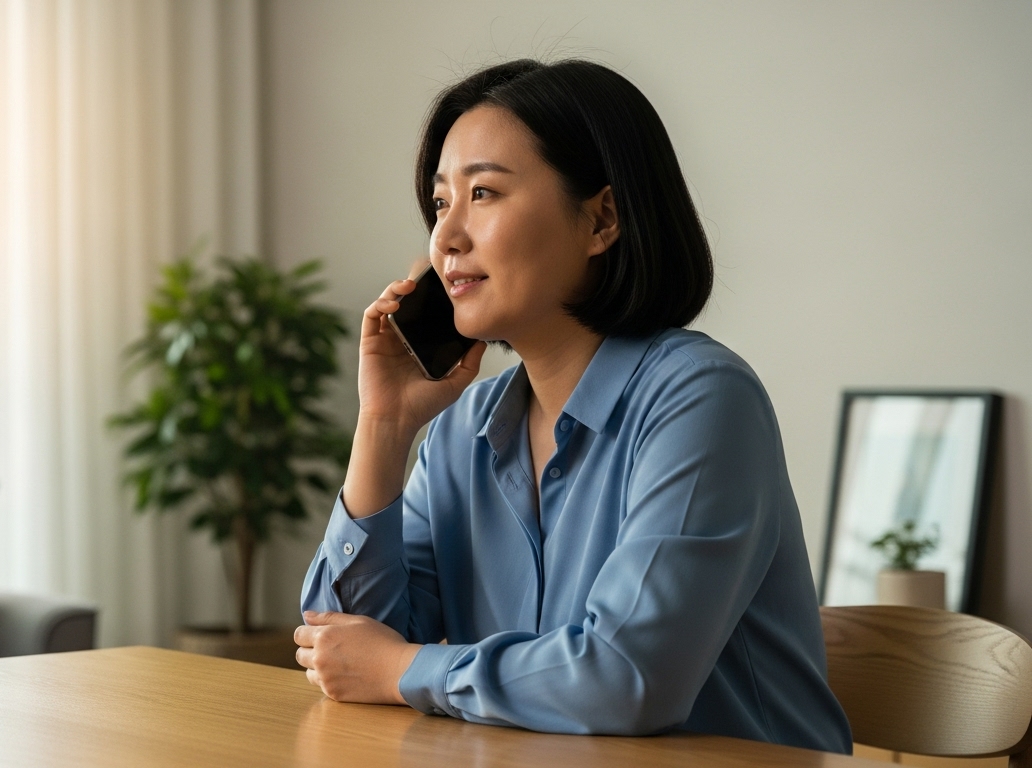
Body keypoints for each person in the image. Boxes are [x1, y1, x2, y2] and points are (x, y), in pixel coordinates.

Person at [294, 59, 852, 753]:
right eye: (441, 203)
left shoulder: (702, 400)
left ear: (601, 219)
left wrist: (400, 669)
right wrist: (384, 425)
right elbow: (340, 646)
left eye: (485, 194)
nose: (446, 238)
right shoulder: (464, 428)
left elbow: (625, 679)